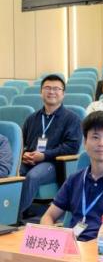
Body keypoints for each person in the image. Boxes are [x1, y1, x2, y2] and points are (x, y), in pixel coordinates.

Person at [38, 111, 103, 241]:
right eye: (95, 137)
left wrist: (98, 242)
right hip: (73, 246)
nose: (101, 143)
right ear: (85, 142)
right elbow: (48, 216)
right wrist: (52, 236)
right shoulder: (75, 179)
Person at [17, 75, 82, 220]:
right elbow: (22, 143)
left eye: (56, 88)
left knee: (33, 176)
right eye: (47, 88)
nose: (51, 91)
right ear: (41, 92)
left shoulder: (72, 119)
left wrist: (44, 155)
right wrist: (24, 154)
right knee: (12, 173)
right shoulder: (32, 118)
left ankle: (14, 217)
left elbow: (71, 147)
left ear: (63, 93)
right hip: (30, 160)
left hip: (54, 163)